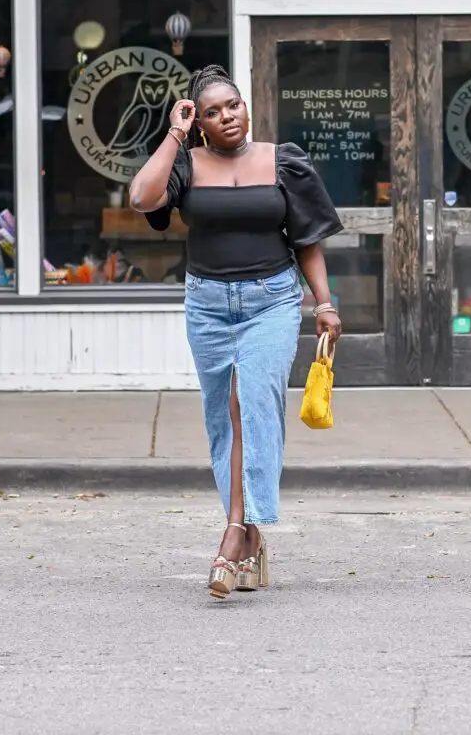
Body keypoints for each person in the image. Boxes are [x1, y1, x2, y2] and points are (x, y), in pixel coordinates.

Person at [129, 65, 342, 600]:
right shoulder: (186, 162)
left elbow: (308, 239)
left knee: (252, 405)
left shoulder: (282, 160)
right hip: (207, 306)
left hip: (271, 300)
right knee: (223, 417)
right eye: (212, 112)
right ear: (198, 121)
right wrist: (175, 134)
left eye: (234, 105)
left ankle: (233, 532)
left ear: (246, 106)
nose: (228, 117)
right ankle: (251, 536)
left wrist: (325, 303)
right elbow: (141, 198)